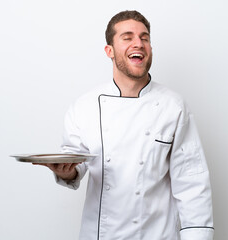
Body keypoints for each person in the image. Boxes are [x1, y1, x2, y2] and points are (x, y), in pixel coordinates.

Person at [38, 10, 214, 240]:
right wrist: (68, 171)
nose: (138, 43)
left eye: (145, 38)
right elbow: (75, 161)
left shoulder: (174, 107)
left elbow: (192, 182)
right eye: (128, 37)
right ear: (109, 51)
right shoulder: (84, 106)